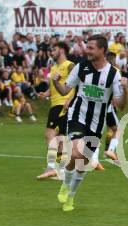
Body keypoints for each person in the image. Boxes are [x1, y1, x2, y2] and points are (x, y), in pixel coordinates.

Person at [52, 34, 128, 212]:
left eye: (91, 47)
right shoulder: (81, 67)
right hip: (78, 116)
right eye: (87, 47)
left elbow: (121, 105)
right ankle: (65, 184)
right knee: (75, 153)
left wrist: (126, 89)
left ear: (102, 50)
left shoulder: (113, 74)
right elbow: (65, 90)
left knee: (83, 162)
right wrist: (56, 82)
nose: (87, 50)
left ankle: (70, 197)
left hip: (96, 124)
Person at [37, 42, 75, 180]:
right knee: (59, 138)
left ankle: (51, 166)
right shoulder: (53, 67)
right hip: (55, 104)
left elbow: (76, 84)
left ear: (62, 50)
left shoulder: (70, 65)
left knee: (49, 134)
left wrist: (70, 99)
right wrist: (45, 94)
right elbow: (53, 88)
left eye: (54, 49)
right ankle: (62, 171)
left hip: (62, 104)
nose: (51, 52)